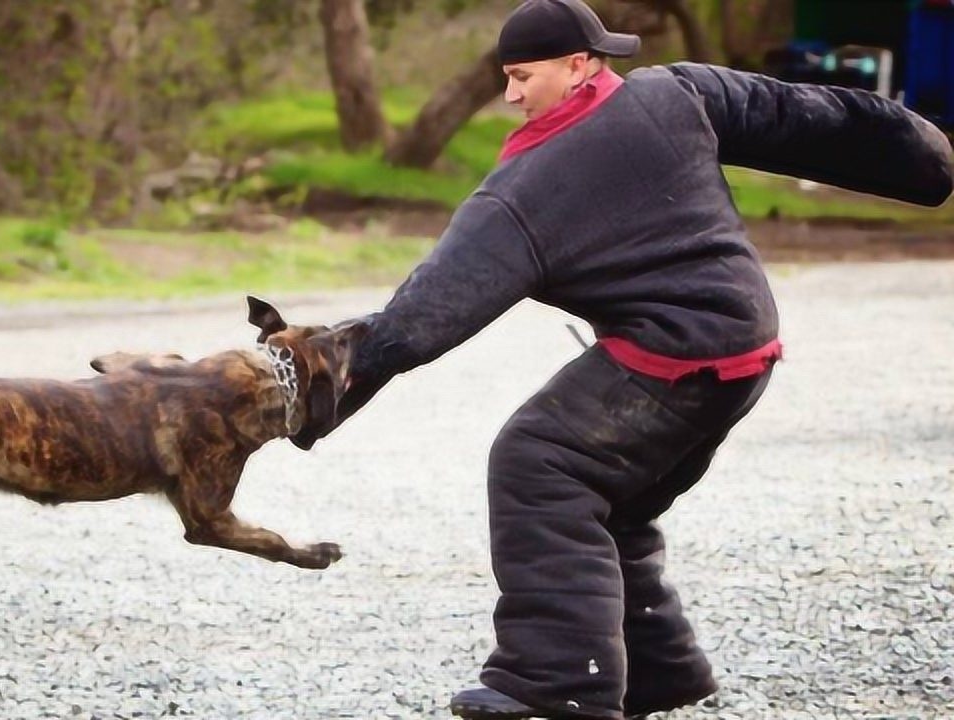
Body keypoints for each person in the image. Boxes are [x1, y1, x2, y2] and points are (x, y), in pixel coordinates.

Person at [294, 0, 954, 718]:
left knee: (539, 463)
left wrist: (303, 396)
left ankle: (556, 685)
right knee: (619, 499)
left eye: (522, 77)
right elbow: (803, 117)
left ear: (580, 64)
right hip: (747, 343)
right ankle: (657, 669)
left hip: (673, 358)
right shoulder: (677, 93)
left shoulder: (527, 189)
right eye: (506, 80)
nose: (511, 96)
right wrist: (927, 158)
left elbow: (418, 321)